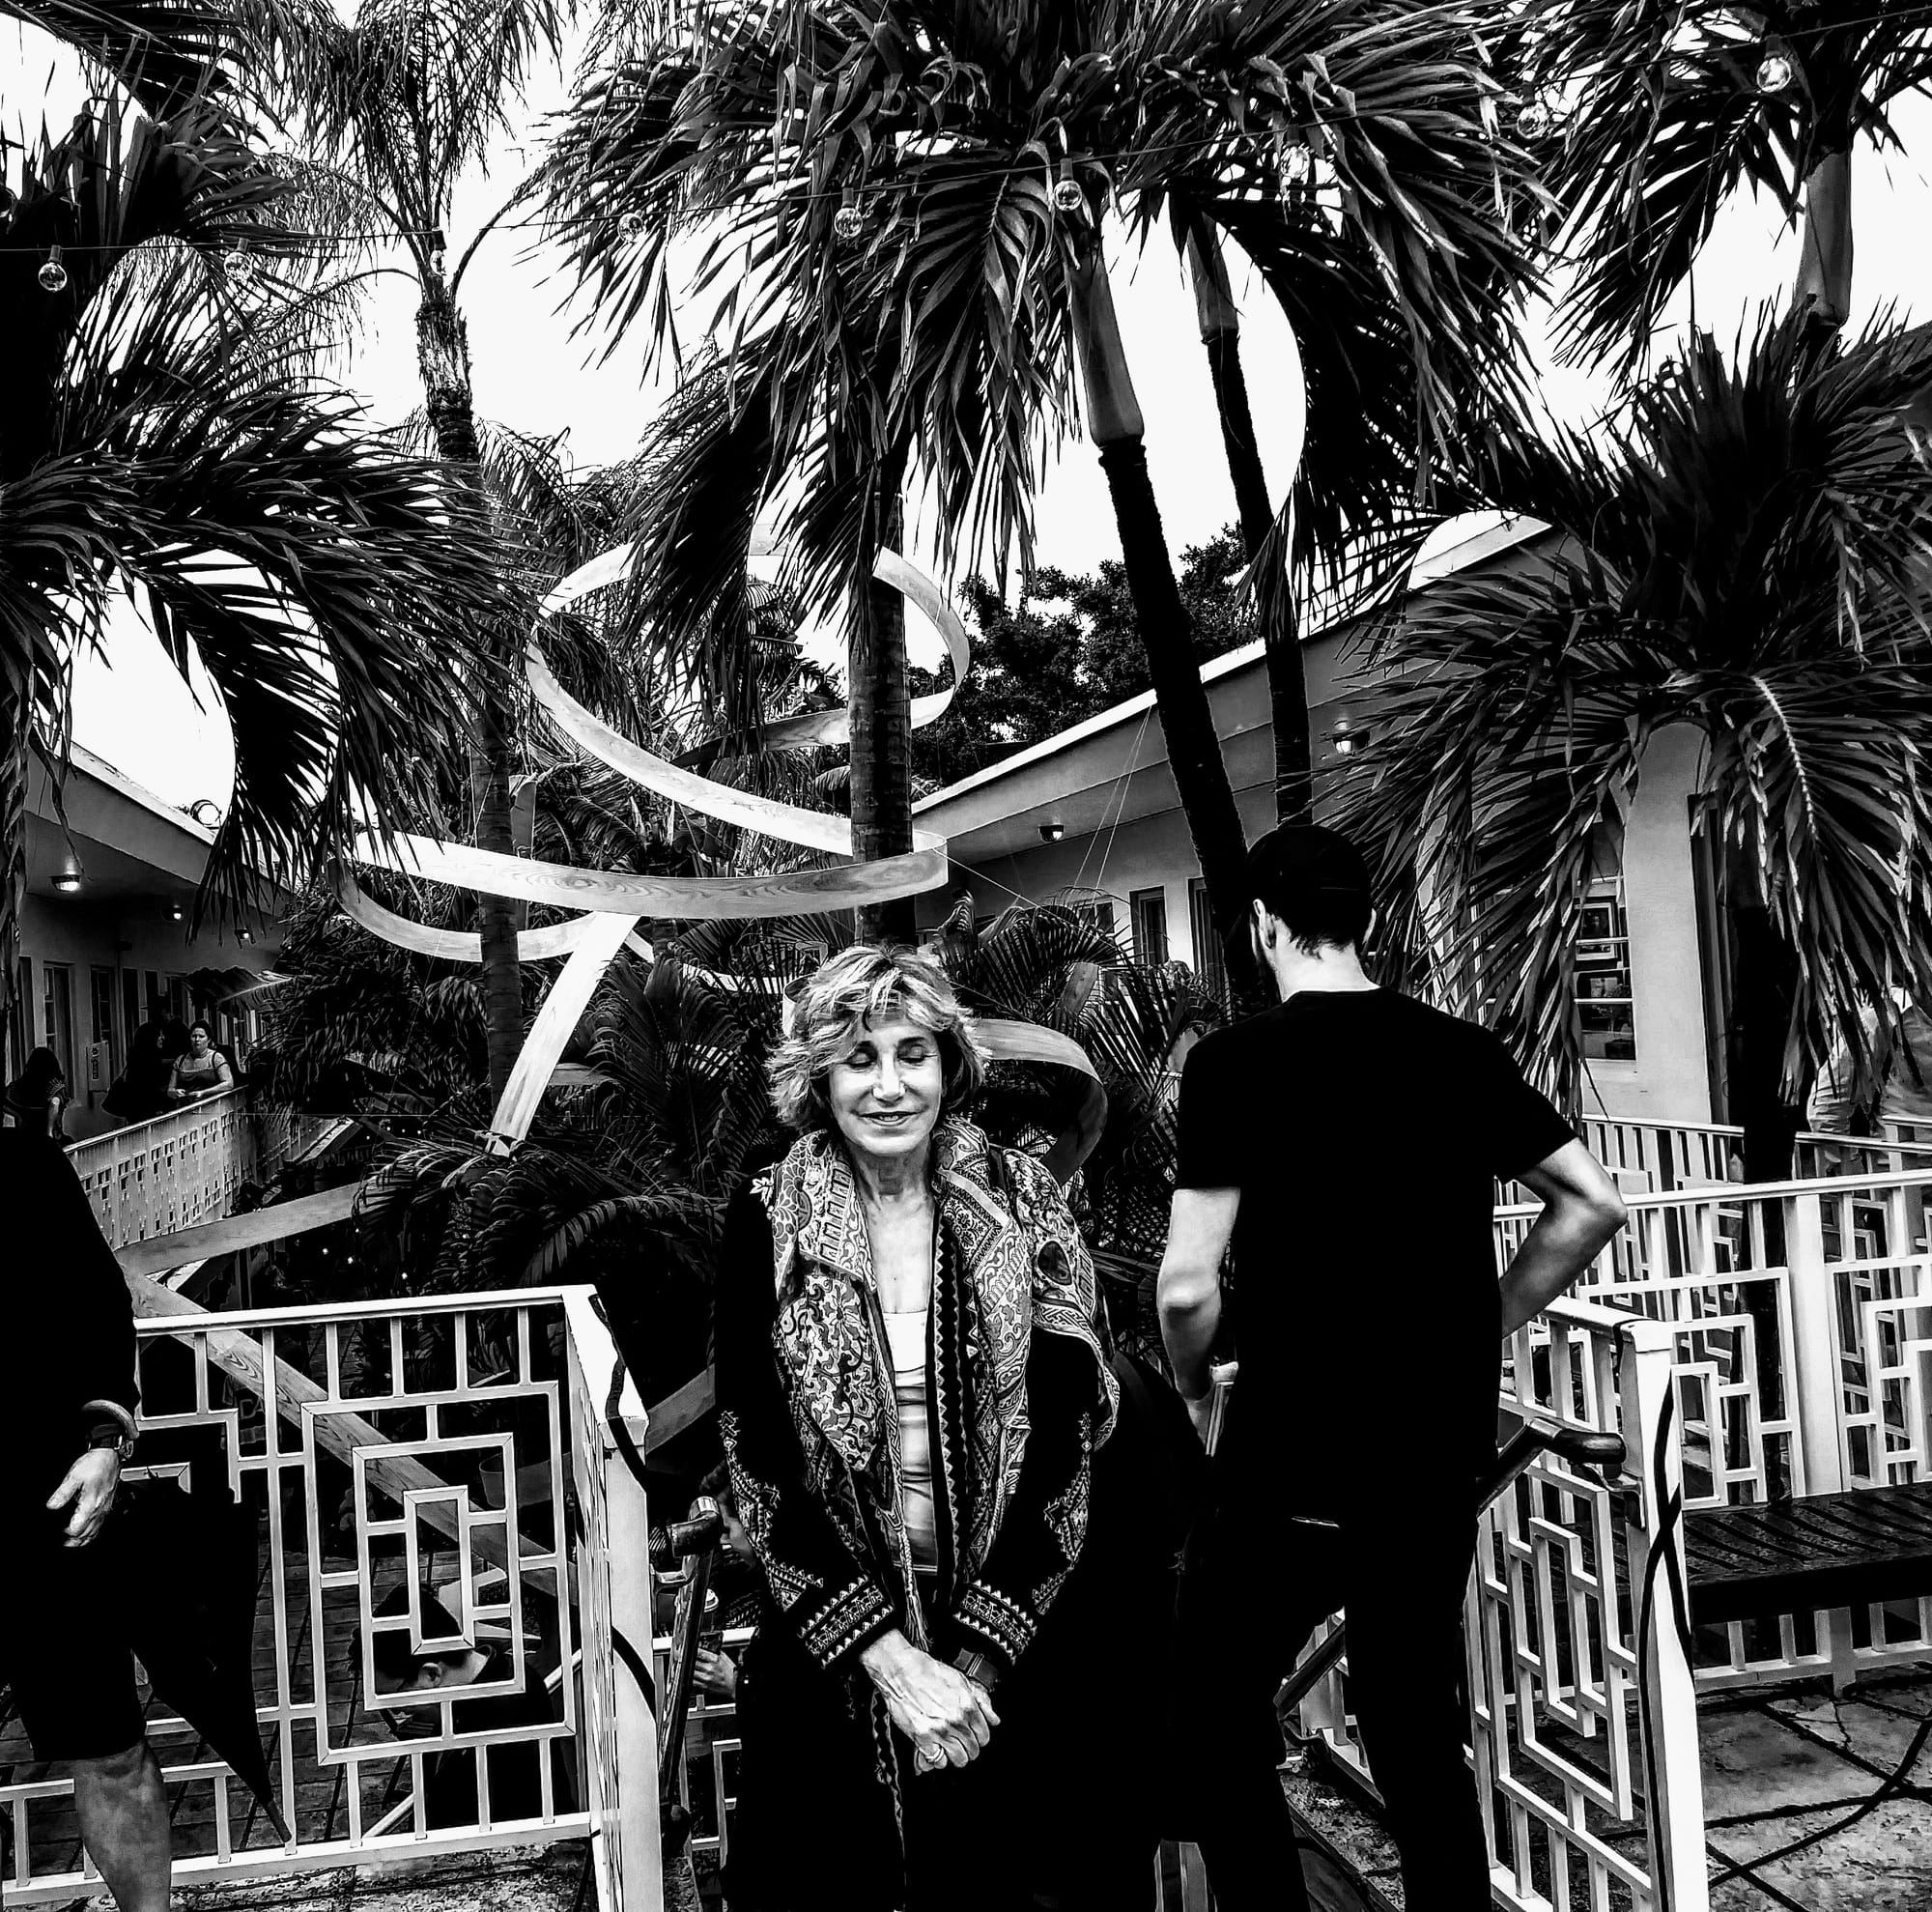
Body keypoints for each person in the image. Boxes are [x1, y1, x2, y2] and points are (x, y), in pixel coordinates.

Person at [1157, 825, 1629, 1912]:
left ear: (1263, 924)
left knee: (1215, 1705)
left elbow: (1185, 1288)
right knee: (1414, 1722)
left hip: (1291, 1462)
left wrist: (1188, 1384)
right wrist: (1484, 1320)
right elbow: (1592, 1202)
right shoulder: (1458, 1049)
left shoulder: (1234, 1061)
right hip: (1429, 1456)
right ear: (1361, 918)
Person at [714, 944, 1122, 1911]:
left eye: (912, 1053)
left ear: (950, 1064)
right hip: (830, 1640)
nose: (889, 1086)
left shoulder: (1018, 1199)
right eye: (858, 1058)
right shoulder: (768, 1213)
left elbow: (1064, 1442)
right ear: (819, 1076)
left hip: (1009, 1634)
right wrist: (891, 1660)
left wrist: (971, 1661)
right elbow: (756, 1453)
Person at [0, 1122, 169, 1910]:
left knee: (110, 1751)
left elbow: (99, 1304)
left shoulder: (24, 1164)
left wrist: (105, 1442)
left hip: (48, 1511)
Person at [355, 1584, 575, 1829]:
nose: (396, 1711)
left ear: (431, 1674)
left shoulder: (502, 1725)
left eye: (393, 1698)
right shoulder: (498, 1676)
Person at [104, 1023, 176, 1124]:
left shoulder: (137, 1059)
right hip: (147, 1118)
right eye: (159, 1035)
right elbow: (148, 1092)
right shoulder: (146, 1064)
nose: (163, 1038)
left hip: (136, 1117)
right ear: (151, 1038)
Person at [6, 1044, 70, 1136]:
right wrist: (49, 1132)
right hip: (48, 1136)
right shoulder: (54, 1085)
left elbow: (4, 1099)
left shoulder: (20, 1085)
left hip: (25, 1134)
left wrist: (17, 1115)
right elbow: (54, 1103)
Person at [168, 1020, 234, 1103]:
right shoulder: (180, 1060)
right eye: (194, 1036)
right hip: (185, 1107)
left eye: (201, 1036)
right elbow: (170, 1090)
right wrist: (175, 1092)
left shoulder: (216, 1058)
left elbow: (229, 1084)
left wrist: (204, 1092)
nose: (197, 1039)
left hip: (211, 1106)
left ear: (208, 1039)